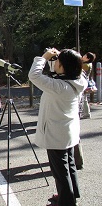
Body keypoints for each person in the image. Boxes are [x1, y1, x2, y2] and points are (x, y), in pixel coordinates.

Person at [28, 48, 87, 206]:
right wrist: (64, 56)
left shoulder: (59, 87)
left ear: (63, 67)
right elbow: (70, 67)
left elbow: (34, 75)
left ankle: (66, 202)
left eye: (58, 61)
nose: (55, 63)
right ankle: (70, 195)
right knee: (69, 166)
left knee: (61, 173)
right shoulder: (78, 80)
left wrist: (44, 57)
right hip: (68, 132)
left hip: (56, 134)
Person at [80, 52, 96, 119]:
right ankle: (86, 113)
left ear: (87, 58)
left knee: (83, 98)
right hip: (85, 82)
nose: (83, 56)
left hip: (82, 82)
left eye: (85, 55)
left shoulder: (85, 65)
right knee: (84, 98)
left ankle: (86, 114)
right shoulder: (89, 64)